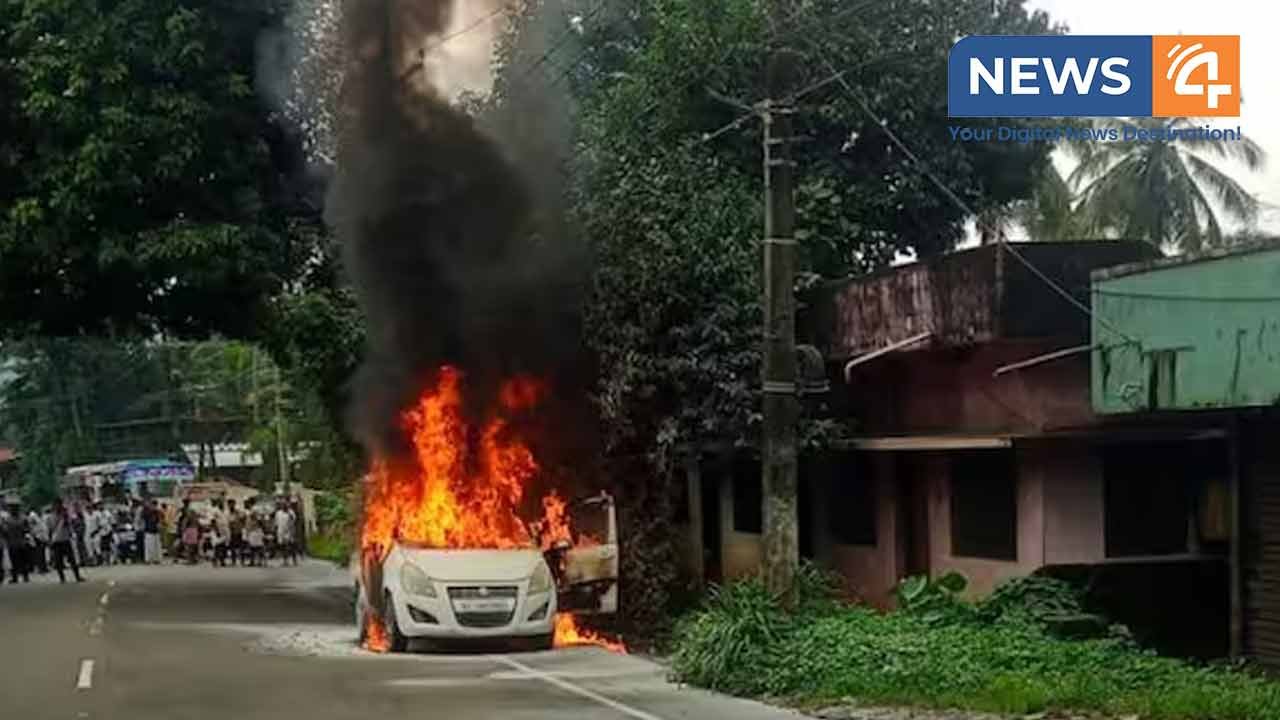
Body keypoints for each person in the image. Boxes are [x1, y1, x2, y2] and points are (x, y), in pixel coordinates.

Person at [48, 499, 84, 583]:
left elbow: (70, 525)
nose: (58, 507)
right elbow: (50, 529)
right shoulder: (50, 517)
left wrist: (66, 518)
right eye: (56, 505)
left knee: (72, 560)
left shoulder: (65, 515)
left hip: (65, 539)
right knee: (58, 561)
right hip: (56, 541)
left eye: (59, 505)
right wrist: (50, 540)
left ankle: (77, 576)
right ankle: (62, 578)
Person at [2, 502, 31, 584]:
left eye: (14, 508)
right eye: (12, 508)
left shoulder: (20, 518)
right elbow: (5, 531)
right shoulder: (8, 519)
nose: (13, 510)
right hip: (14, 543)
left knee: (22, 560)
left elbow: (27, 529)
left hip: (19, 542)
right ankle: (17, 577)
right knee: (16, 561)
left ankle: (23, 577)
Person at [274, 501, 296, 567]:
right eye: (283, 505)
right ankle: (285, 561)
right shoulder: (278, 513)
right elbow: (276, 523)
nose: (284, 506)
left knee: (290, 546)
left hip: (288, 531)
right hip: (280, 532)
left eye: (286, 505)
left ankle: (294, 559)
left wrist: (289, 513)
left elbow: (293, 520)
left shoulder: (291, 512)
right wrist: (276, 531)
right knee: (283, 546)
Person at [28, 507, 49, 574]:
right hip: (37, 536)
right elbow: (32, 526)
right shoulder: (33, 515)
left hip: (41, 536)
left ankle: (44, 567)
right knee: (39, 553)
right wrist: (34, 535)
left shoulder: (38, 516)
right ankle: (41, 568)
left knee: (42, 552)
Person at [142, 499, 162, 564]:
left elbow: (160, 519)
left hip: (155, 531)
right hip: (149, 531)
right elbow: (143, 517)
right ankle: (148, 559)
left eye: (155, 505)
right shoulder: (147, 512)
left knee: (156, 546)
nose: (154, 506)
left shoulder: (157, 512)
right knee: (149, 546)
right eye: (153, 505)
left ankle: (156, 559)